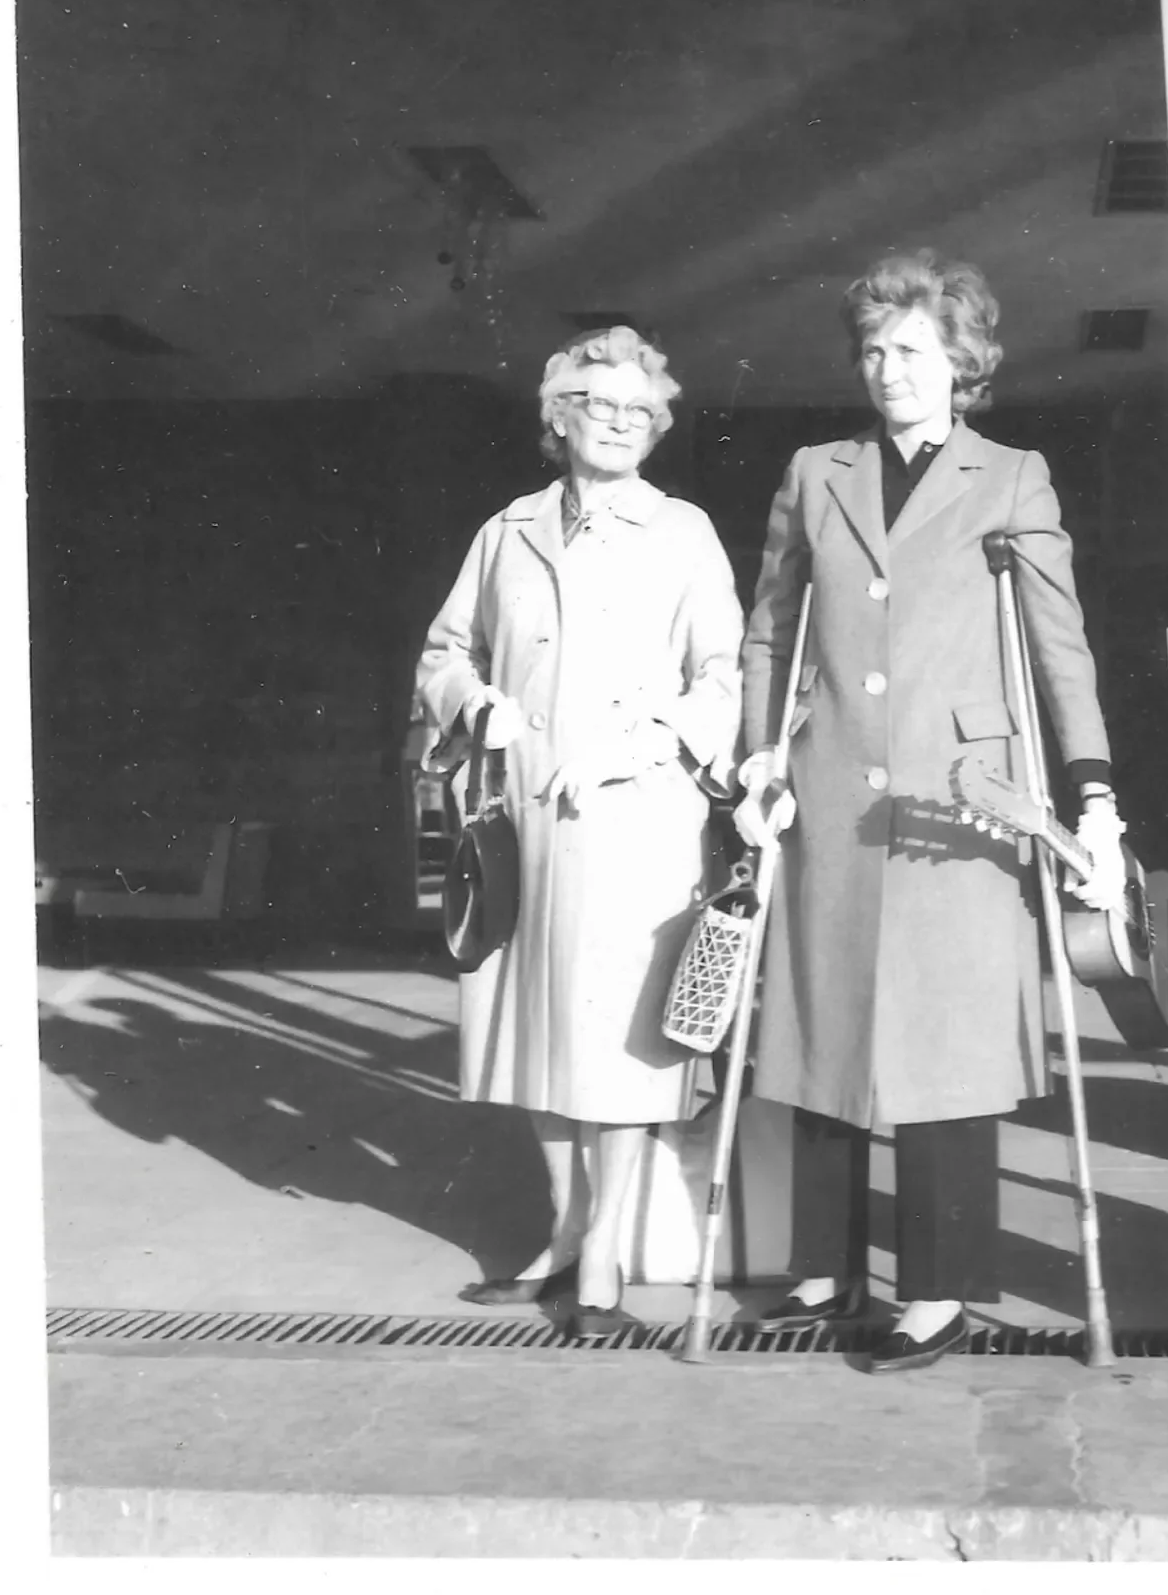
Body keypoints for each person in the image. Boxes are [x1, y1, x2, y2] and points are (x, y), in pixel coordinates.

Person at [734, 250, 1125, 1372]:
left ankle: (939, 1288)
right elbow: (773, 626)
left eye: (909, 349)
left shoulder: (1008, 476)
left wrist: (1091, 792)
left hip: (963, 798)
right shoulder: (818, 471)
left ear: (960, 362)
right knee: (822, 1010)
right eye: (872, 349)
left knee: (943, 1037)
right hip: (829, 779)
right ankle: (824, 1263)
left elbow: (1056, 641)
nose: (886, 368)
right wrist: (760, 755)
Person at [417, 326, 742, 1332]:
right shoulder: (505, 529)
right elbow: (444, 650)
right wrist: (476, 704)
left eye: (639, 410)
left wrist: (645, 743)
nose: (620, 422)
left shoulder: (683, 531)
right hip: (528, 824)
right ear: (559, 416)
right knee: (538, 1033)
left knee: (624, 1044)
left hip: (638, 821)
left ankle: (601, 1260)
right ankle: (564, 1232)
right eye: (599, 404)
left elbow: (723, 676)